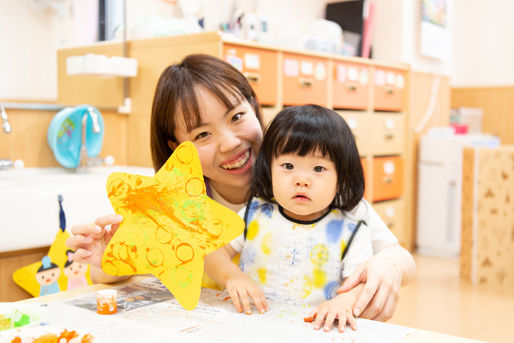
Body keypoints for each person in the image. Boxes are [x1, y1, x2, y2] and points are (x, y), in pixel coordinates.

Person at [66, 54, 415, 322]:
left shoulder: (310, 185)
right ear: (176, 148)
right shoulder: (175, 208)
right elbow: (112, 272)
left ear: (254, 106)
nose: (230, 143)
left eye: (236, 117)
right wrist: (107, 254)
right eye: (203, 134)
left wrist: (390, 266)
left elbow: (399, 255)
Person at [205, 105, 383, 332]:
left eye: (318, 168)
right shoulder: (256, 213)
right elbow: (213, 253)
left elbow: (360, 284)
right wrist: (232, 277)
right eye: (288, 166)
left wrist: (343, 302)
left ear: (342, 178)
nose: (301, 180)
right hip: (251, 324)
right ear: (269, 169)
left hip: (313, 329)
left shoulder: (349, 231)